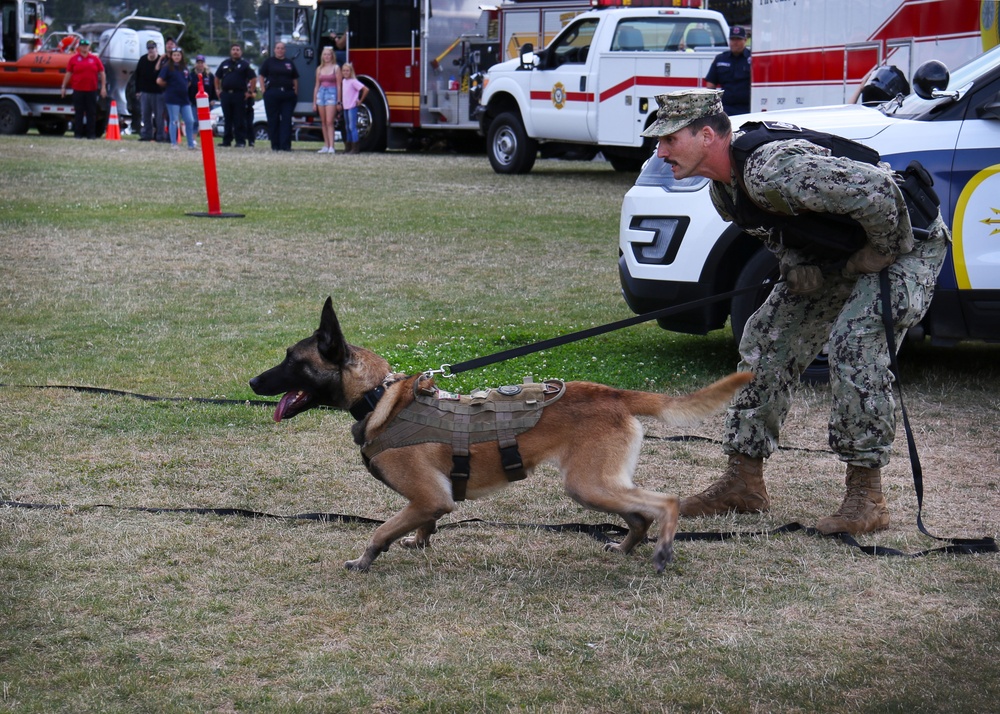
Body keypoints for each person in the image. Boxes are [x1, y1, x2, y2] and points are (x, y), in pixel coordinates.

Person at [640, 89, 949, 535]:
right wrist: (797, 264)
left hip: (907, 242)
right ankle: (743, 483)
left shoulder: (774, 168)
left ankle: (868, 497)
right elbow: (778, 230)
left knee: (855, 342)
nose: (660, 151)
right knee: (766, 339)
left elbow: (882, 194)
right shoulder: (724, 192)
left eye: (668, 140)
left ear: (706, 135)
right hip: (848, 249)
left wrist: (878, 253)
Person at [60, 38, 107, 139]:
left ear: (89, 47)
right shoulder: (74, 59)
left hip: (91, 90)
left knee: (91, 113)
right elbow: (68, 73)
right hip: (78, 90)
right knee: (78, 113)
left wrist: (103, 87)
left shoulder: (95, 59)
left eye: (86, 45)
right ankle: (78, 134)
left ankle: (91, 134)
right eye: (82, 45)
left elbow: (102, 73)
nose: (84, 47)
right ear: (79, 47)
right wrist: (63, 86)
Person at [258, 42, 300, 152]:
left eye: (282, 48)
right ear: (274, 50)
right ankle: (275, 145)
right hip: (272, 94)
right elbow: (261, 76)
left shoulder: (289, 63)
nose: (280, 50)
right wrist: (263, 91)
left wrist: (295, 91)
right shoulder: (268, 62)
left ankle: (285, 146)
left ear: (285, 50)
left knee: (286, 120)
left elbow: (295, 78)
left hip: (287, 95)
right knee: (273, 120)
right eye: (278, 48)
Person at [215, 43, 256, 148]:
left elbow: (253, 78)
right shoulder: (224, 63)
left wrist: (250, 92)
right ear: (230, 51)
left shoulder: (245, 64)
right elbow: (217, 76)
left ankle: (240, 141)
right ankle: (226, 141)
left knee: (239, 119)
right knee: (227, 118)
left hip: (239, 95)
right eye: (233, 49)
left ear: (241, 52)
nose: (235, 51)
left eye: (237, 49)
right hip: (226, 94)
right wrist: (217, 89)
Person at [704, 26, 751, 116]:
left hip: (747, 108)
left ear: (745, 40)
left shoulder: (752, 59)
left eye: (738, 39)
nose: (735, 43)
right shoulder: (720, 59)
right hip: (725, 108)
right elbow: (710, 85)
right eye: (732, 39)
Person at [157, 47, 197, 150]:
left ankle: (190, 144)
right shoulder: (167, 67)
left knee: (190, 120)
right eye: (174, 55)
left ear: (181, 56)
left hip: (184, 99)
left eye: (178, 55)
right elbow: (159, 80)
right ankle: (173, 143)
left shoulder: (184, 68)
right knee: (174, 120)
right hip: (172, 98)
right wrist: (169, 85)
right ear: (171, 56)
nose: (176, 57)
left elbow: (188, 81)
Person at [312, 47, 342, 154]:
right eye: (325, 54)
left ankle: (332, 146)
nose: (327, 57)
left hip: (332, 94)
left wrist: (339, 101)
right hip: (321, 94)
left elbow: (339, 85)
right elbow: (316, 85)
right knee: (323, 122)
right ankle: (326, 145)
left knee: (330, 121)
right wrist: (314, 101)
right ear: (322, 56)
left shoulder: (336, 68)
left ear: (332, 56)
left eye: (329, 54)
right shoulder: (319, 69)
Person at [134, 40, 164, 142]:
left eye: (152, 48)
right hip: (145, 92)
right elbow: (137, 76)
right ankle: (146, 135)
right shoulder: (142, 59)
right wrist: (137, 90)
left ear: (156, 49)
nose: (151, 50)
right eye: (149, 48)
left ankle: (160, 136)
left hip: (158, 93)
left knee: (159, 116)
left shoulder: (161, 60)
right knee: (145, 115)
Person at [340, 62, 368, 154]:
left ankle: (355, 148)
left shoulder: (353, 81)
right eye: (344, 70)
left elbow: (366, 89)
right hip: (345, 107)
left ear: (351, 71)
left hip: (352, 106)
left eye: (347, 70)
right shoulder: (343, 81)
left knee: (352, 127)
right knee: (347, 127)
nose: (345, 72)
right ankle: (348, 147)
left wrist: (360, 101)